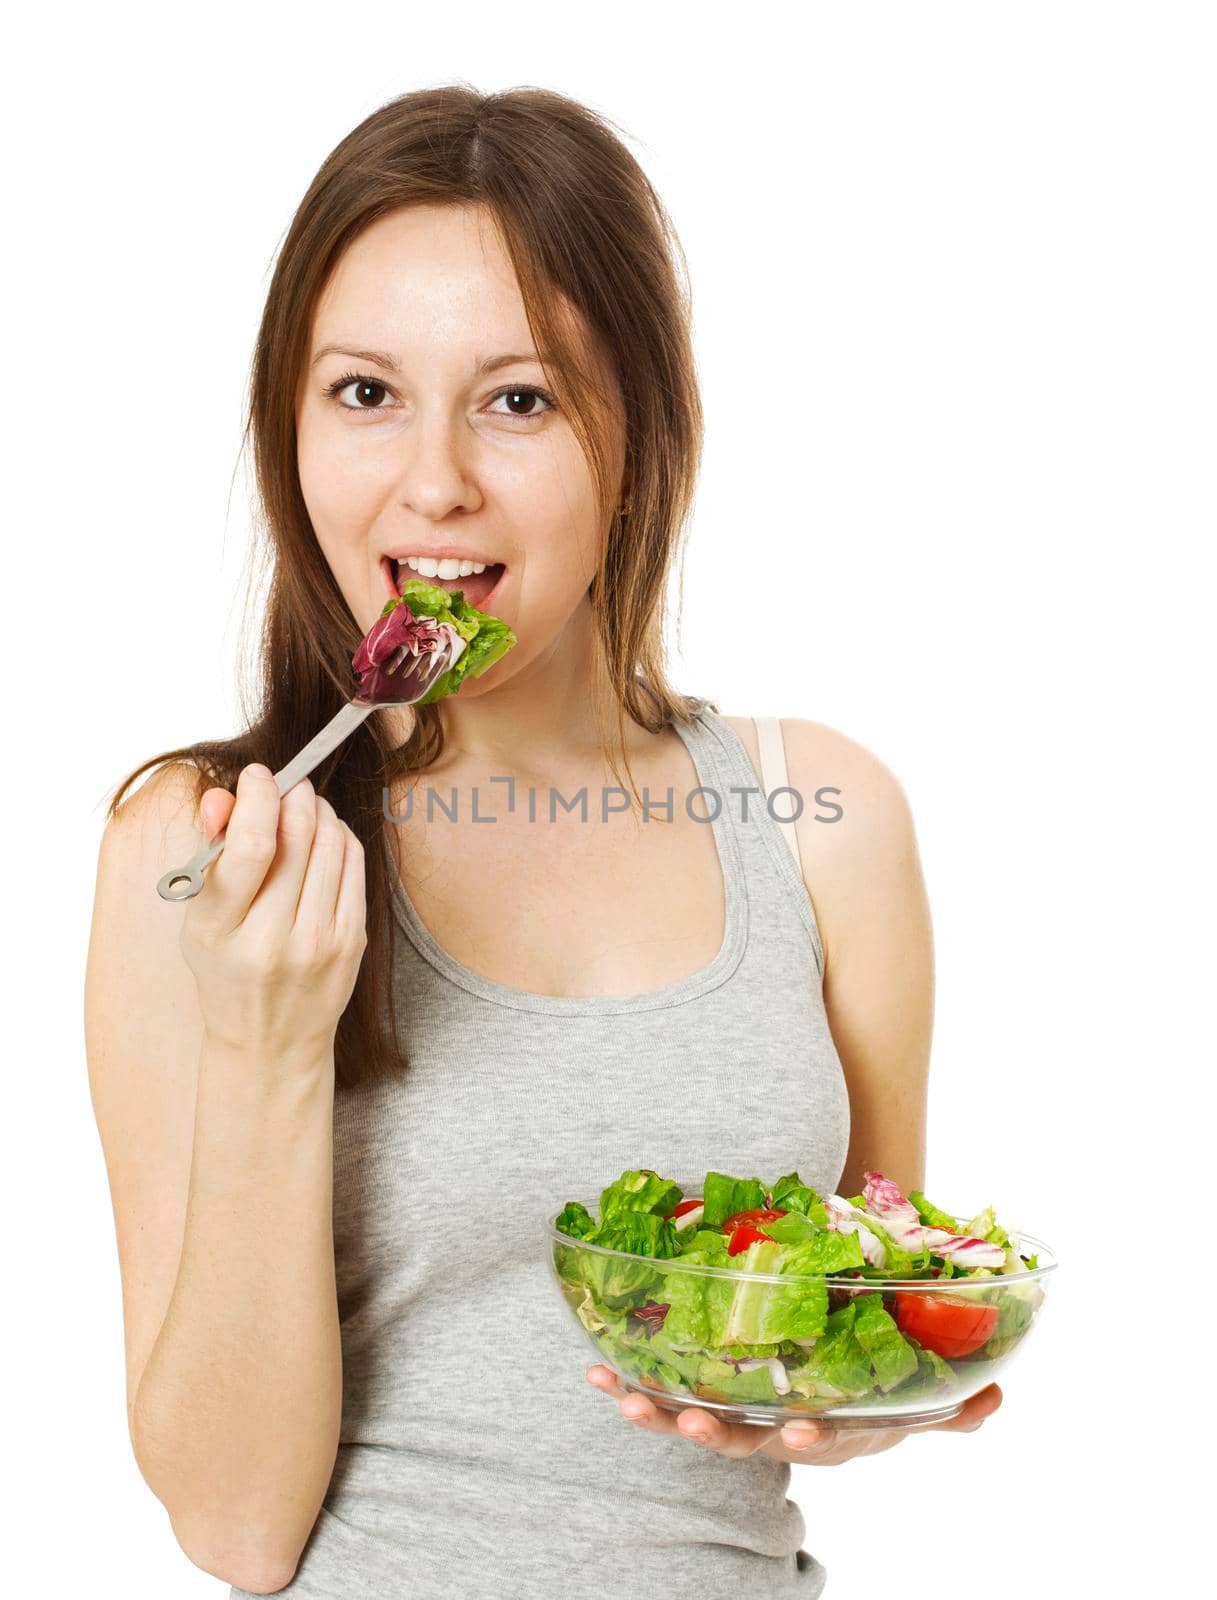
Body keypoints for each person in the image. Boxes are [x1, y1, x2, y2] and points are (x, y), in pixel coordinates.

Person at [84, 83, 1001, 1600]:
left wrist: (864, 1392)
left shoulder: (819, 819)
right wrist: (264, 1045)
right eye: (364, 393)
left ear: (637, 435)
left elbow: (864, 1298)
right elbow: (233, 1533)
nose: (431, 480)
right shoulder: (195, 856)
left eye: (518, 400)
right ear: (287, 426)